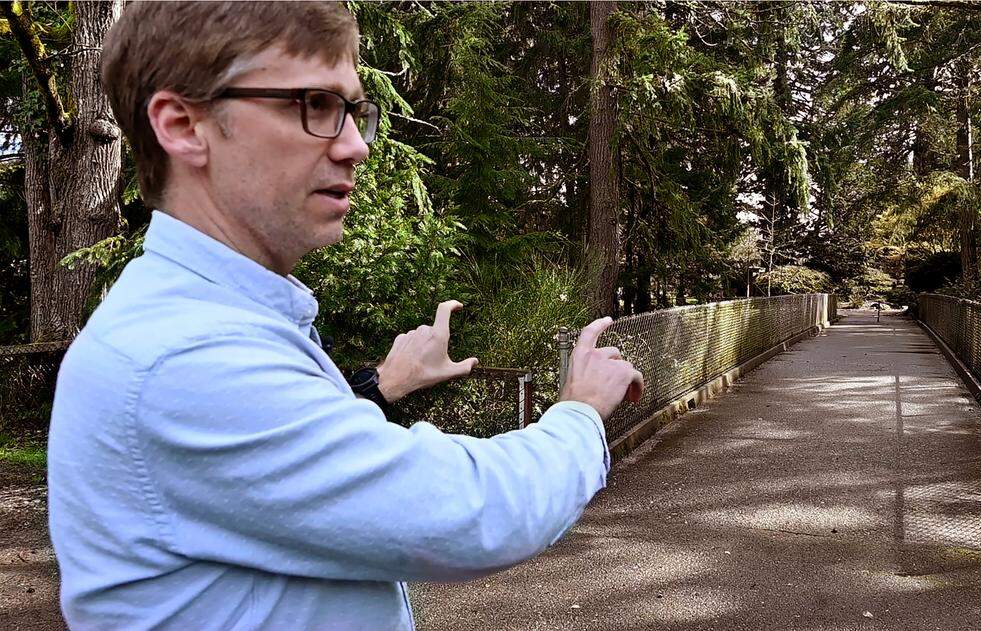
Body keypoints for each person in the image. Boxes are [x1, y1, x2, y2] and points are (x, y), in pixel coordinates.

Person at [47, 2, 643, 629]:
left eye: (354, 112)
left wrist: (386, 386)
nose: (356, 146)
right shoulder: (184, 356)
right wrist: (579, 411)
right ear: (184, 125)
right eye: (315, 106)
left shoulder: (207, 322)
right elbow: (471, 513)